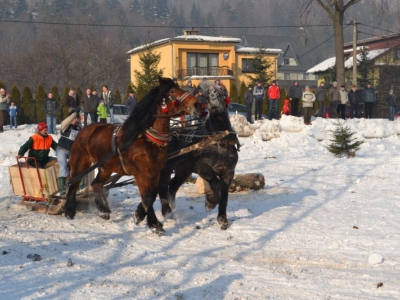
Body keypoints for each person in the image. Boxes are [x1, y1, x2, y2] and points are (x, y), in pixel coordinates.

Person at [56, 108, 81, 194]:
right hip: (62, 150)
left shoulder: (79, 128)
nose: (75, 120)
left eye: (76, 118)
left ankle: (80, 188)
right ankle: (62, 190)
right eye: (73, 118)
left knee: (79, 168)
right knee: (63, 167)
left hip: (72, 152)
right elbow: (66, 121)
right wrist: (74, 114)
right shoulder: (65, 126)